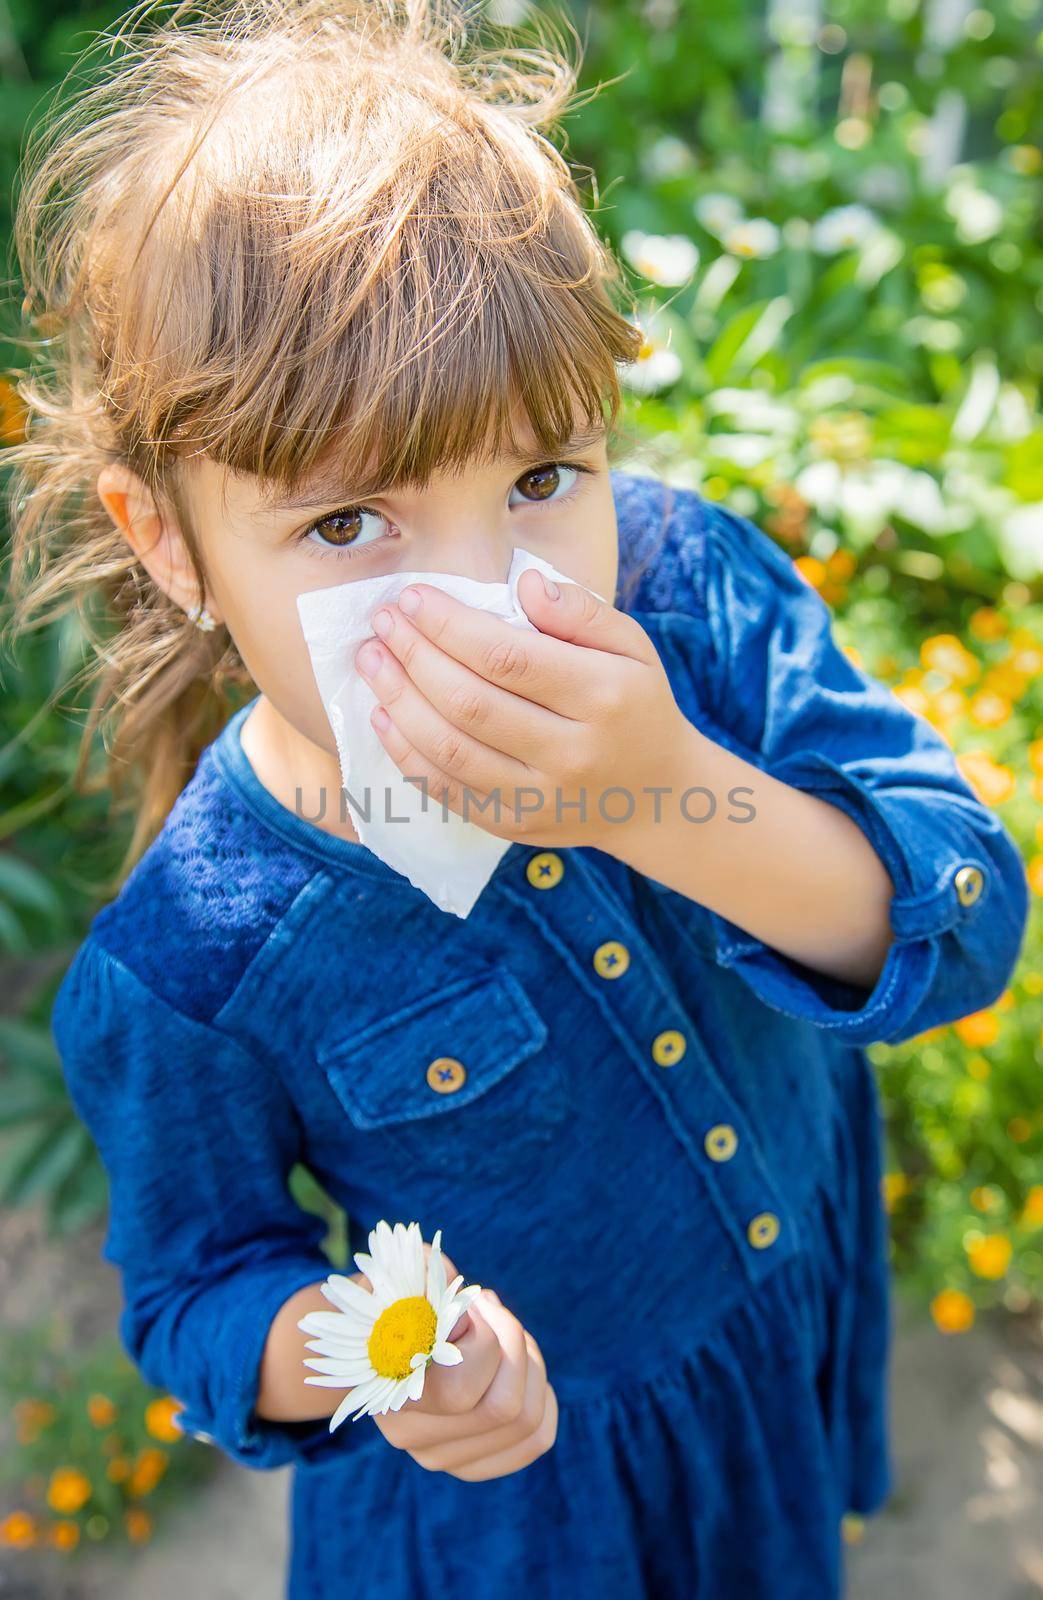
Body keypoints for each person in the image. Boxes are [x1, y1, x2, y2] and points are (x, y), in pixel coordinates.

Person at [5, 0, 1029, 1595]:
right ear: (165, 539)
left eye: (541, 481)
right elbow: (195, 1293)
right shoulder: (197, 960)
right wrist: (377, 1357)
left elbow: (966, 920)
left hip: (767, 1360)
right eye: (349, 523)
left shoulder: (686, 601)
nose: (490, 591)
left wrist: (664, 794)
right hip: (525, 1522)